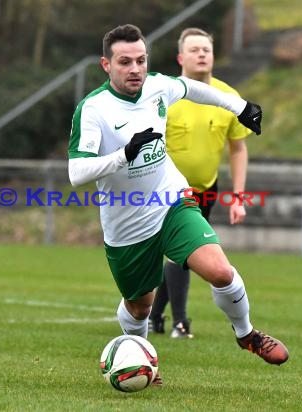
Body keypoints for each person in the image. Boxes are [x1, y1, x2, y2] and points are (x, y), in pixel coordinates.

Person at [68, 24, 288, 384]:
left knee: (220, 271)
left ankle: (247, 334)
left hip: (171, 201)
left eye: (141, 60)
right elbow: (77, 171)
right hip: (127, 223)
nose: (135, 68)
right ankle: (141, 358)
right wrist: (123, 155)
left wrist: (241, 106)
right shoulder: (93, 109)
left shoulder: (157, 85)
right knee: (140, 306)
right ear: (106, 65)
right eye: (125, 62)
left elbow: (195, 89)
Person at [149, 28, 253, 339]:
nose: (202, 54)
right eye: (194, 50)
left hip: (207, 188)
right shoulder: (164, 94)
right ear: (181, 58)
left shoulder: (228, 97)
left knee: (183, 253)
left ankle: (156, 316)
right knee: (181, 252)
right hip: (164, 190)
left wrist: (238, 197)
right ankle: (180, 322)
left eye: (206, 49)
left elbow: (238, 148)